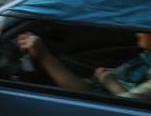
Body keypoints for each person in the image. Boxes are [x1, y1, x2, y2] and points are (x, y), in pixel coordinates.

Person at [18, 31, 151, 100]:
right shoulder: (147, 55)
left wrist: (109, 81)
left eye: (143, 25)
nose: (137, 30)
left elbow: (124, 104)